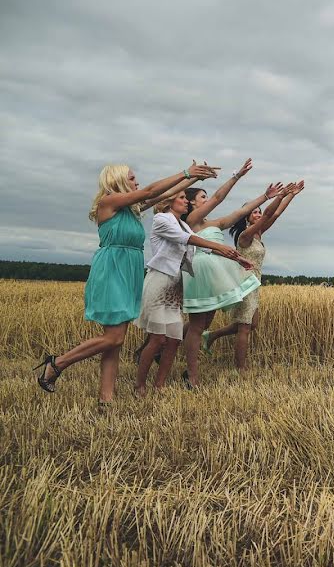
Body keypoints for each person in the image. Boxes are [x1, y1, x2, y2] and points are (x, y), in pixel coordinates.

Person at [33, 161, 219, 409]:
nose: (137, 182)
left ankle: (106, 400)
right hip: (111, 270)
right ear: (117, 180)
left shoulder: (132, 209)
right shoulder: (107, 203)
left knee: (116, 341)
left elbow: (162, 194)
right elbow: (152, 191)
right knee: (113, 338)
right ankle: (57, 363)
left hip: (129, 271)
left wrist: (195, 179)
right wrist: (186, 172)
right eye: (132, 179)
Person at [133, 190, 253, 397]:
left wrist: (236, 258)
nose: (185, 201)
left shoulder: (184, 224)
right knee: (158, 339)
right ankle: (139, 386)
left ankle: (159, 386)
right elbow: (187, 239)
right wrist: (219, 246)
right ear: (169, 202)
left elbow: (202, 249)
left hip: (176, 284)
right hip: (160, 281)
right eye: (181, 198)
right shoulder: (161, 219)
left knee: (173, 340)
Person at [180, 158, 283, 388]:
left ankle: (170, 340)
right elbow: (218, 198)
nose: (207, 200)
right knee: (198, 325)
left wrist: (265, 197)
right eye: (202, 197)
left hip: (216, 274)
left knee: (205, 323)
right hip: (201, 272)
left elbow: (242, 211)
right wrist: (237, 176)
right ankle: (192, 376)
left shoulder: (214, 223)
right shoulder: (192, 221)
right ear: (192, 204)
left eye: (206, 197)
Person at [202, 180, 305, 369]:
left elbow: (276, 213)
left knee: (252, 323)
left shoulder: (259, 234)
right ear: (247, 219)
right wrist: (280, 195)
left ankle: (211, 335)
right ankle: (240, 369)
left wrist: (291, 195)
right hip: (244, 281)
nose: (258, 214)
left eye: (259, 211)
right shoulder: (245, 236)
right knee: (245, 327)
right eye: (254, 212)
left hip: (255, 282)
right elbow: (268, 213)